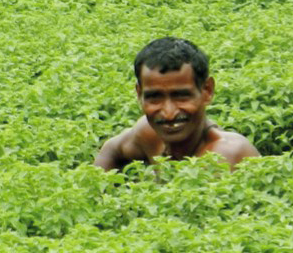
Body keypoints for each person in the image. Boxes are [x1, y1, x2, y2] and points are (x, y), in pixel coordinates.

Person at [94, 38, 258, 171]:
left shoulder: (227, 155)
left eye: (181, 96)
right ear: (139, 94)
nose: (169, 113)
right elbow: (111, 150)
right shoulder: (148, 134)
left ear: (207, 91)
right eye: (154, 97)